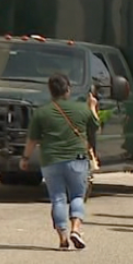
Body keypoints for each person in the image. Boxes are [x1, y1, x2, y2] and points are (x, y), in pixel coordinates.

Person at [21, 73, 100, 250]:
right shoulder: (81, 109)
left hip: (51, 160)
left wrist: (25, 158)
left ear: (50, 91)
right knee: (77, 196)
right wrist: (92, 106)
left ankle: (62, 237)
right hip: (78, 159)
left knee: (57, 198)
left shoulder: (42, 113)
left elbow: (32, 140)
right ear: (68, 89)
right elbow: (95, 126)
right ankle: (76, 230)